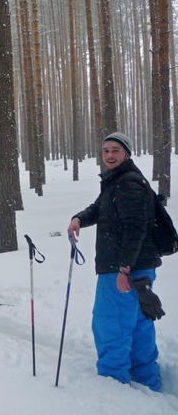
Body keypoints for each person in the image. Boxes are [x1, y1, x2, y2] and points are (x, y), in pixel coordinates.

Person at [67, 132, 163, 392]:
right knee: (138, 323)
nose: (109, 155)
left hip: (122, 268)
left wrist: (124, 269)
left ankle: (114, 387)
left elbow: (135, 230)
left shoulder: (127, 184)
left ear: (127, 154)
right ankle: (147, 380)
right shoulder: (119, 180)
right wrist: (79, 218)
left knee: (111, 323)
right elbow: (99, 208)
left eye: (115, 151)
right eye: (106, 150)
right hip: (139, 266)